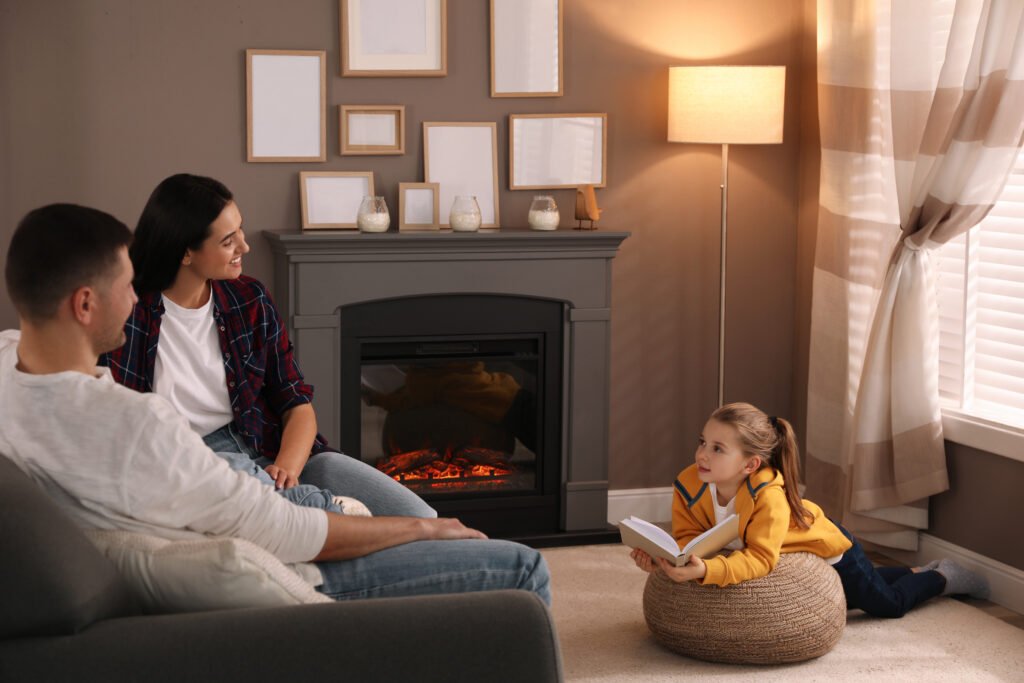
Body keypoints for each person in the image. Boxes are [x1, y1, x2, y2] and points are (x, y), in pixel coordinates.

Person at [0, 203, 550, 603]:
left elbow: (292, 399)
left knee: (416, 513)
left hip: (252, 484)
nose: (133, 295)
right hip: (287, 572)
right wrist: (421, 533)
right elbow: (285, 532)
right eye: (125, 284)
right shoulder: (138, 423)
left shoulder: (10, 370)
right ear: (86, 303)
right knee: (524, 568)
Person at [99, 173, 435, 518]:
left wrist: (287, 468)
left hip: (267, 447)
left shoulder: (249, 299)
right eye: (228, 241)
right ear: (186, 252)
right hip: (192, 464)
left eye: (240, 230)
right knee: (317, 516)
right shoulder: (129, 312)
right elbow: (117, 430)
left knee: (419, 516)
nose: (244, 247)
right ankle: (326, 513)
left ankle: (321, 510)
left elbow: (295, 401)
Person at [631, 402, 989, 618]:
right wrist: (667, 558)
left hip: (832, 551)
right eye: (702, 442)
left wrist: (708, 568)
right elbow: (690, 537)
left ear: (750, 465)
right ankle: (913, 569)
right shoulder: (689, 483)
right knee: (865, 590)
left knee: (885, 605)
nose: (702, 455)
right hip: (795, 552)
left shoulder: (767, 495)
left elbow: (760, 559)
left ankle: (943, 578)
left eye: (717, 448)